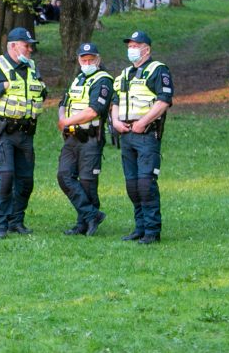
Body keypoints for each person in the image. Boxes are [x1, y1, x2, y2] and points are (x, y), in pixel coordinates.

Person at [0, 27, 47, 238]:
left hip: (26, 133)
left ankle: (17, 220)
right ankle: (0, 223)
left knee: (25, 180)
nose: (30, 49)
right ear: (13, 46)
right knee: (5, 177)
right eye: (27, 45)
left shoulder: (32, 66)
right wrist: (2, 86)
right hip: (4, 132)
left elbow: (40, 90)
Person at [111, 31, 173, 245]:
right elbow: (115, 99)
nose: (131, 49)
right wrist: (115, 121)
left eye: (136, 45)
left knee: (146, 184)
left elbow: (163, 101)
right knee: (133, 185)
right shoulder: (125, 73)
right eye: (129, 45)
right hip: (126, 135)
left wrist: (143, 122)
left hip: (146, 135)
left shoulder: (158, 70)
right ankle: (139, 227)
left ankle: (152, 230)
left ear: (146, 49)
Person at [57, 43, 114, 236]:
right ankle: (92, 215)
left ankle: (84, 224)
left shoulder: (103, 80)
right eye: (84, 59)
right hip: (72, 137)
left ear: (98, 59)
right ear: (79, 60)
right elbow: (63, 103)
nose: (87, 63)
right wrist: (62, 119)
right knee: (64, 176)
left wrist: (67, 121)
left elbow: (93, 111)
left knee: (88, 182)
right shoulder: (78, 79)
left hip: (91, 138)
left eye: (91, 59)